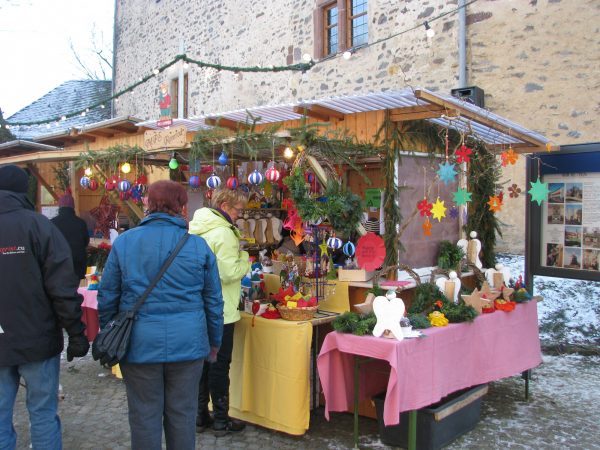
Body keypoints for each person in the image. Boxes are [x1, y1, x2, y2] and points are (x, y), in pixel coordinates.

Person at [98, 180, 223, 450]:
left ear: (148, 204)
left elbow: (108, 296)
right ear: (181, 207)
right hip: (188, 346)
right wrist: (214, 343)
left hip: (139, 344)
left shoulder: (125, 242)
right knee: (182, 416)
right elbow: (213, 302)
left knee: (144, 417)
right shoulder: (198, 246)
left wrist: (110, 334)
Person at [0, 165, 89, 450]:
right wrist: (76, 331)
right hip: (37, 338)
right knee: (42, 414)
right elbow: (62, 286)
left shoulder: (40, 225)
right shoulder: (39, 225)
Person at [189, 189, 251, 436]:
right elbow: (228, 273)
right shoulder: (224, 233)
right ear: (224, 205)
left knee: (203, 364)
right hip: (222, 308)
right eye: (237, 210)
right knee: (219, 365)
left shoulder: (197, 227)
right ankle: (221, 420)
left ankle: (200, 416)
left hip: (200, 306)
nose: (238, 215)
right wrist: (245, 257)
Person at [51, 192, 90, 280]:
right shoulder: (80, 223)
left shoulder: (52, 223)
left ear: (59, 206)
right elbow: (86, 242)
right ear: (73, 207)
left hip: (59, 263)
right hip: (78, 263)